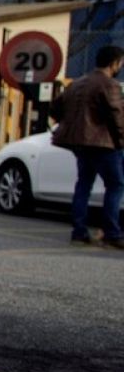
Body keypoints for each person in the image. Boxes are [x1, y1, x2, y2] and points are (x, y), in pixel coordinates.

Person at [50, 44, 124, 248]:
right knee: (115, 186)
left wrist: (70, 122)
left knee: (83, 185)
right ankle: (112, 233)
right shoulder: (110, 85)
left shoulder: (77, 83)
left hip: (80, 144)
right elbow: (118, 117)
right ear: (114, 63)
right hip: (104, 144)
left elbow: (55, 106)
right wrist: (121, 141)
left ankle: (79, 232)